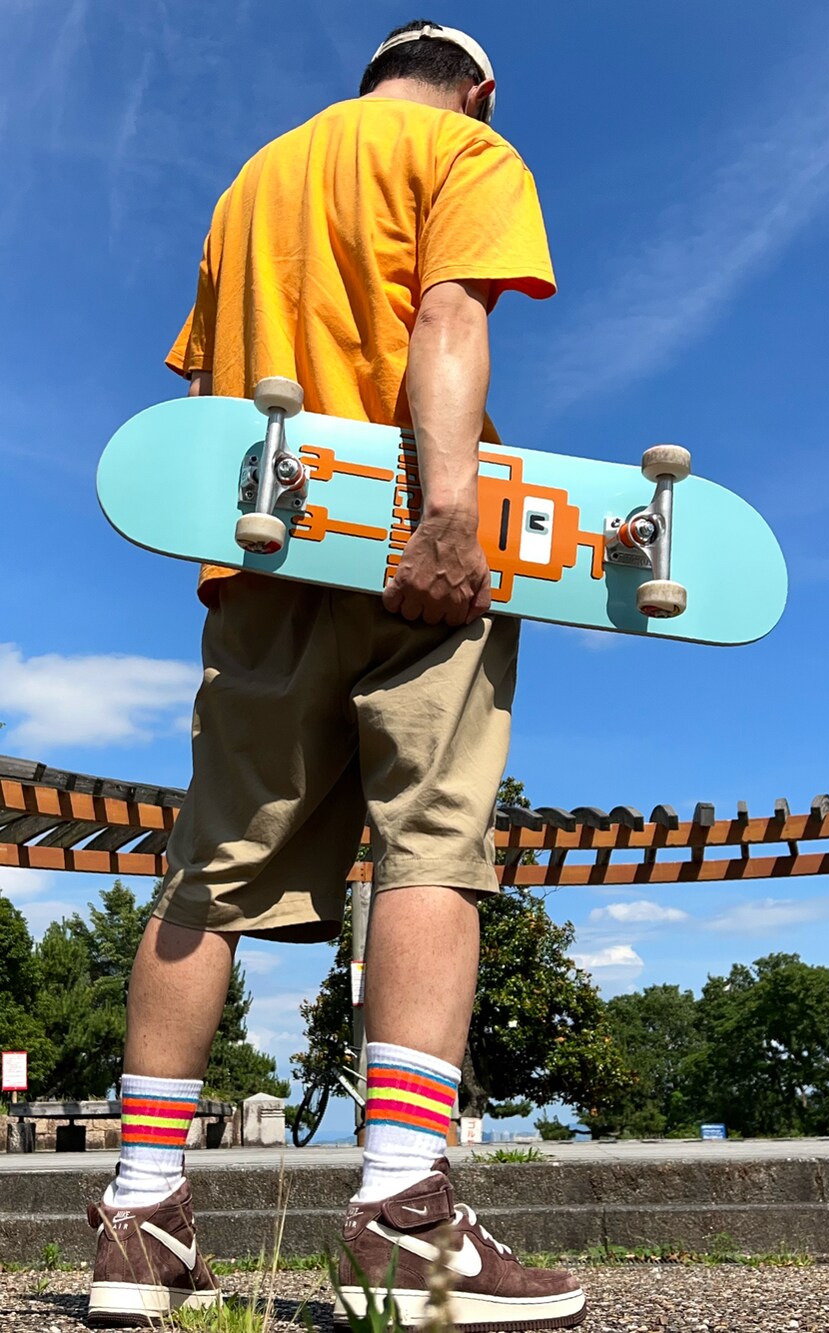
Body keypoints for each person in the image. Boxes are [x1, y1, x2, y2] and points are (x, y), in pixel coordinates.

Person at [86, 19, 586, 1331]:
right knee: (433, 849)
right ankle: (406, 1215)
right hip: (420, 546)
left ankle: (138, 1215)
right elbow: (447, 312)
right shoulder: (463, 150)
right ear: (480, 91)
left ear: (369, 75)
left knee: (210, 868)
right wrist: (447, 512)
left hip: (258, 558)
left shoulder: (250, 182)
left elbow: (214, 391)